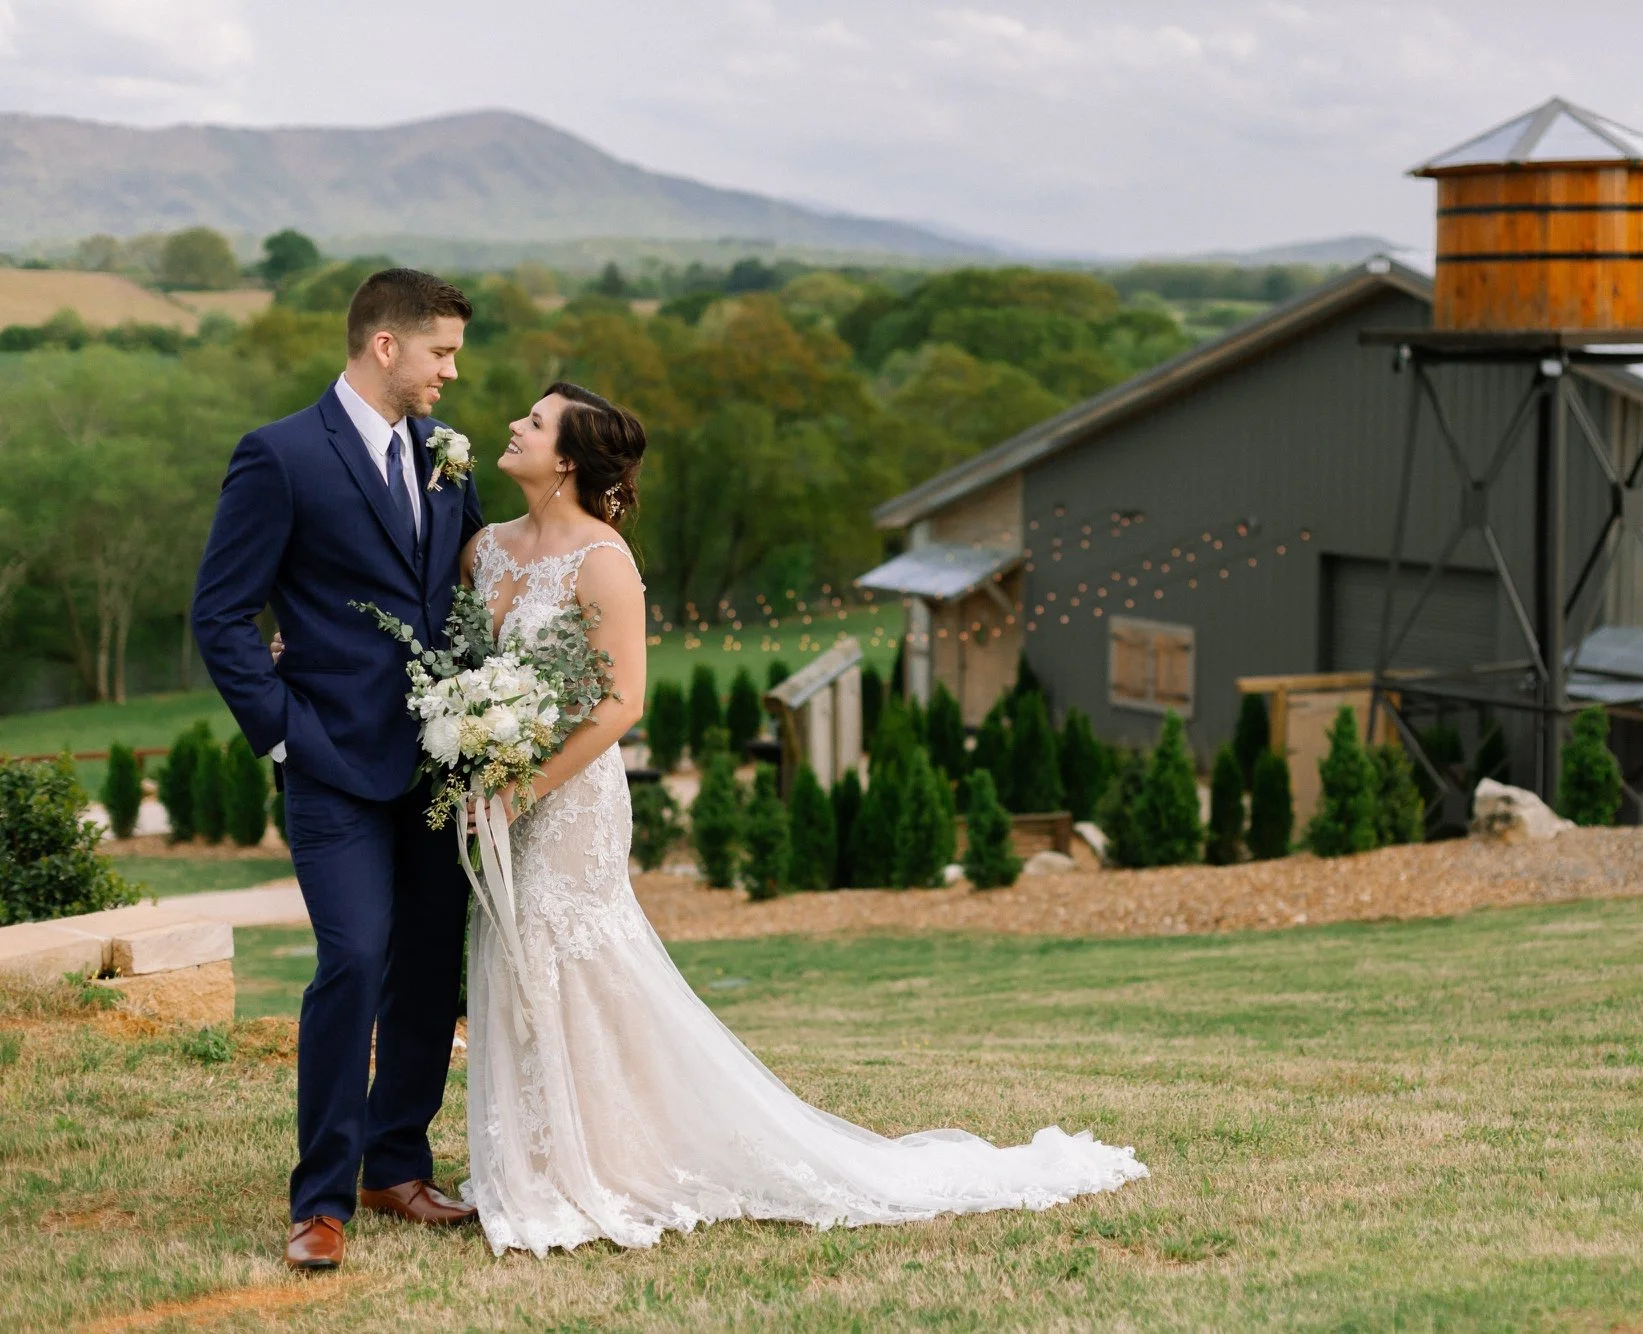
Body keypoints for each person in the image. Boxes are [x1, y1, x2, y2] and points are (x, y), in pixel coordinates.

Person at [460, 382, 1147, 1257]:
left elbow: (623, 701)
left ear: (565, 459)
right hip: (500, 788)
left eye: (533, 421)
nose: (513, 426)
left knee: (574, 960)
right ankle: (536, 1151)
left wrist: (527, 786)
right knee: (510, 952)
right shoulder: (484, 548)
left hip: (571, 800)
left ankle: (602, 1161)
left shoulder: (602, 561)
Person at [192, 269, 486, 1271]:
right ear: (385, 345)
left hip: (436, 761)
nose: (453, 369)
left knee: (426, 965)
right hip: (328, 761)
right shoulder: (278, 455)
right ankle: (320, 1197)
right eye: (442, 350)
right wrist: (282, 733)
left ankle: (395, 1160)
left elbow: (456, 605)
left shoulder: (447, 461)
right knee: (354, 956)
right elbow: (220, 614)